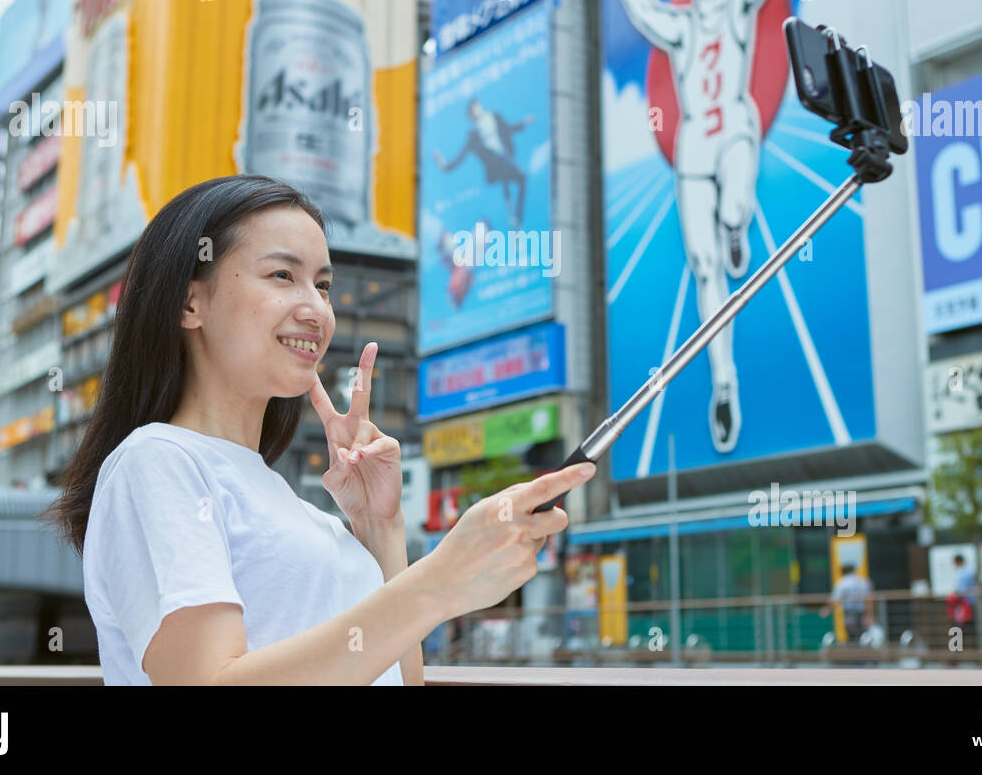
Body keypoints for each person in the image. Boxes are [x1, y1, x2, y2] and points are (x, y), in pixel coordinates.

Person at [44, 175, 594, 685]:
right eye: (283, 276)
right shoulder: (157, 462)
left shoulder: (286, 501)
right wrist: (439, 584)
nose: (317, 310)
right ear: (191, 302)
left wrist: (381, 525)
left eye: (324, 285)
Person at [600, 0, 838, 452]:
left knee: (735, 203)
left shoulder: (739, 3)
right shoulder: (680, 26)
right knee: (706, 269)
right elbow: (645, 11)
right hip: (691, 153)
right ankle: (723, 381)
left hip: (735, 129)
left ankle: (738, 225)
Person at [432, 98, 533, 229]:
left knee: (521, 178)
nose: (476, 111)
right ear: (470, 116)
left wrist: (524, 123)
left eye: (477, 107)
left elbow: (508, 129)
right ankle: (512, 214)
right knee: (504, 171)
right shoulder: (473, 135)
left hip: (505, 159)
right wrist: (443, 164)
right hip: (494, 166)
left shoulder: (493, 117)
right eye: (473, 111)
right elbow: (460, 156)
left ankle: (517, 218)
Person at [820, 562, 875, 643]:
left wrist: (826, 609)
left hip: (850, 613)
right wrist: (870, 614)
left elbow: (834, 599)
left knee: (852, 635)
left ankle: (853, 652)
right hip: (862, 612)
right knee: (863, 636)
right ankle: (863, 652)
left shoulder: (842, 583)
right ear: (854, 570)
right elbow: (868, 599)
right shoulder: (863, 582)